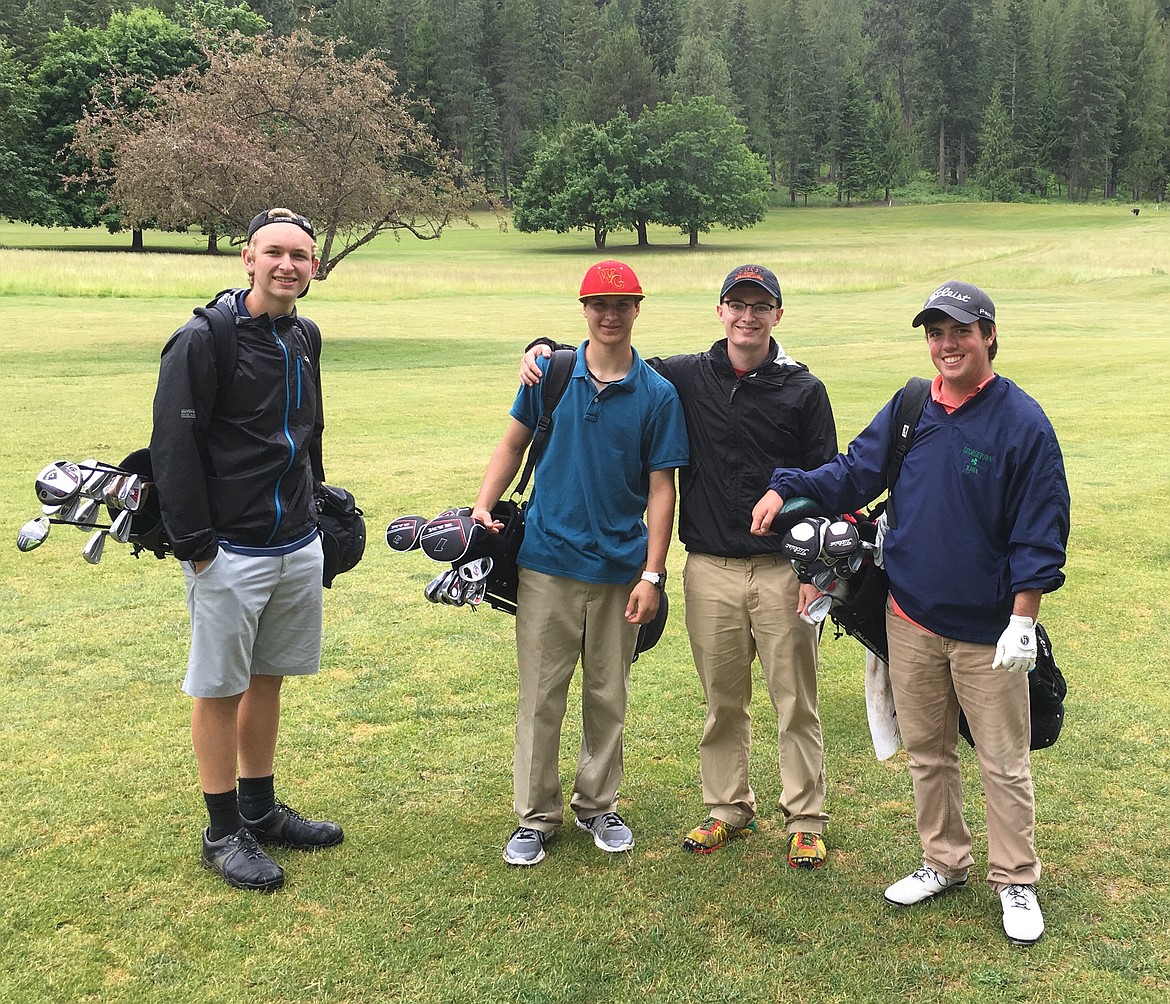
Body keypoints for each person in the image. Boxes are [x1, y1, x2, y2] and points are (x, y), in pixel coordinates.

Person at [751, 281, 1069, 943]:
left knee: (1002, 760)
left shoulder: (1022, 423)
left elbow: (1041, 530)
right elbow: (854, 474)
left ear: (987, 335)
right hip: (912, 617)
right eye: (935, 333)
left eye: (959, 331)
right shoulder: (912, 407)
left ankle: (1015, 879)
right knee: (927, 753)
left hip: (989, 630)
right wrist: (790, 488)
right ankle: (943, 861)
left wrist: (1023, 618)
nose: (946, 345)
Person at [522, 264, 838, 867]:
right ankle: (727, 808)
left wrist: (814, 570)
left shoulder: (804, 390)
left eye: (760, 306)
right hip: (709, 568)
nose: (747, 316)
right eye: (736, 304)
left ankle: (806, 816)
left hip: (781, 570)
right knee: (723, 700)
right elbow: (608, 354)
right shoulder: (686, 376)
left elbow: (828, 478)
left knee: (795, 699)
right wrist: (543, 349)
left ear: (778, 315)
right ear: (720, 311)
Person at [151, 208, 344, 893]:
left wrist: (320, 502)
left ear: (313, 266)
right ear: (248, 258)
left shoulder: (305, 334)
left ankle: (260, 810)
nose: (288, 264)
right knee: (218, 686)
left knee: (268, 677)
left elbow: (306, 430)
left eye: (301, 255)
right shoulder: (204, 339)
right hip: (228, 548)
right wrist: (197, 547)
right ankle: (221, 829)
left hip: (295, 541)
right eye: (275, 253)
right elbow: (173, 450)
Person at [473, 260, 689, 867]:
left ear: (637, 309)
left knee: (607, 693)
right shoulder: (550, 374)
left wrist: (653, 573)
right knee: (541, 695)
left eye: (622, 304)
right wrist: (484, 504)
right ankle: (535, 816)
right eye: (599, 303)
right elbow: (514, 441)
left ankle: (598, 804)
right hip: (545, 561)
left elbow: (661, 488)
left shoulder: (657, 393)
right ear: (584, 307)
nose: (610, 314)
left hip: (621, 569)